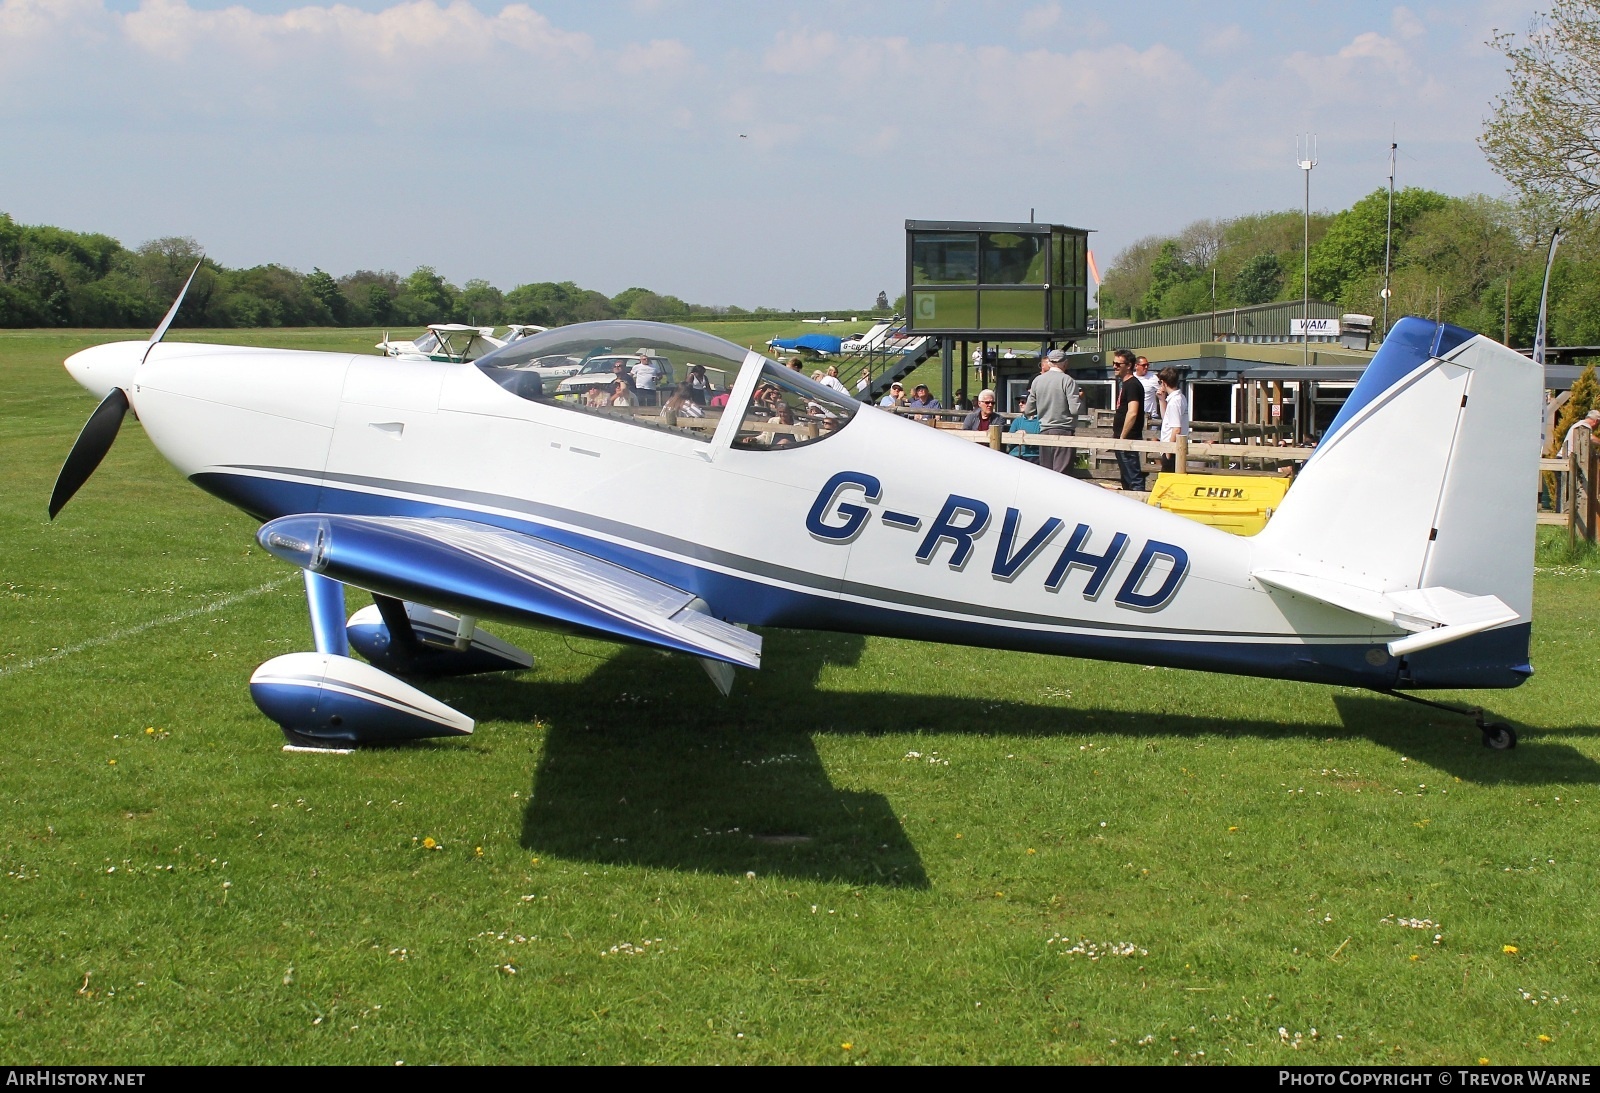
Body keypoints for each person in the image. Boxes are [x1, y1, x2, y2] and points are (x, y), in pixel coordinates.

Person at [1023, 348, 1082, 475]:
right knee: (1062, 474)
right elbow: (1075, 409)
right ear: (1065, 363)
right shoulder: (1068, 381)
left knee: (1047, 474)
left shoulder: (1037, 381)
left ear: (1049, 362)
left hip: (1044, 430)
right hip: (1064, 430)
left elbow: (1028, 410)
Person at [1112, 349, 1146, 491]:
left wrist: (1122, 437)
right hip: (1123, 438)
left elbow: (1132, 412)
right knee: (1126, 478)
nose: (1115, 366)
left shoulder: (1132, 384)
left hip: (1128, 439)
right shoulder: (1125, 384)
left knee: (1133, 478)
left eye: (1119, 364)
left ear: (1129, 365)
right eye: (1114, 363)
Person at [1157, 366, 1189, 474]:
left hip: (1172, 449)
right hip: (1173, 448)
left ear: (1163, 382)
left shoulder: (1175, 401)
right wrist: (1162, 400)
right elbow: (1167, 418)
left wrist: (1168, 451)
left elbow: (1176, 429)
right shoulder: (1180, 398)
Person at [1010, 395, 1041, 463]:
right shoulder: (1017, 421)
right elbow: (1009, 444)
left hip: (1033, 457)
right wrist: (1016, 436)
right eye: (1019, 402)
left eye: (1023, 402)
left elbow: (1041, 444)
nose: (1020, 404)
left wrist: (1026, 437)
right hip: (1015, 456)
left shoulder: (1040, 422)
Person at [1134, 355, 1161, 421]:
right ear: (1136, 366)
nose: (1146, 367)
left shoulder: (1153, 378)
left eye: (1147, 365)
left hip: (1151, 417)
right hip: (1136, 416)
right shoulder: (1132, 377)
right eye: (1143, 365)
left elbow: (1163, 392)